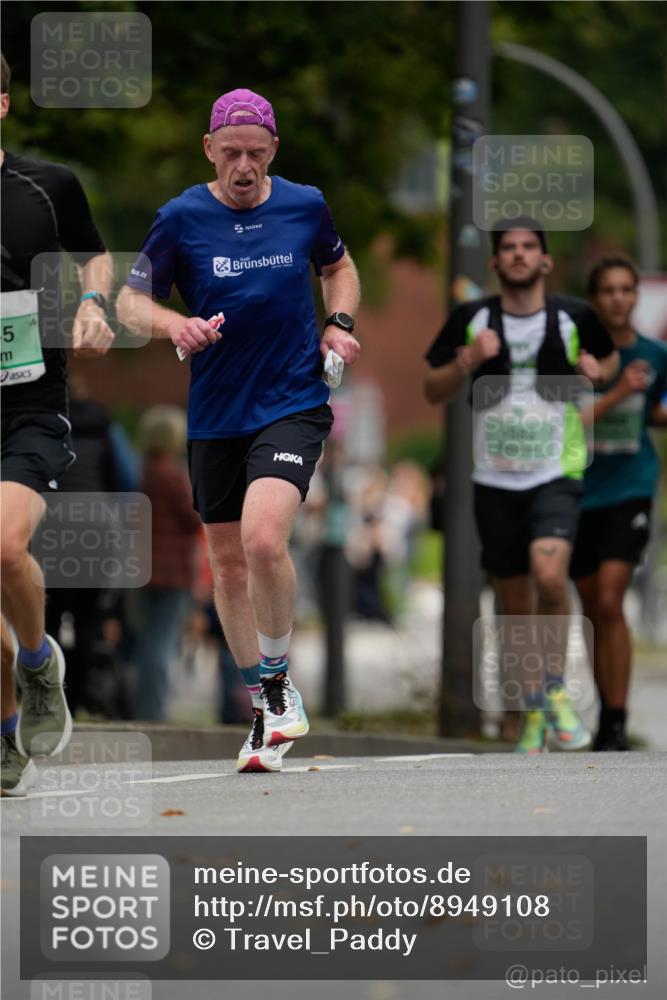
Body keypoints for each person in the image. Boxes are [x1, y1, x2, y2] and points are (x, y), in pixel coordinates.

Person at [117, 88, 360, 772]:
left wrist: (338, 324)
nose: (244, 166)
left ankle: (278, 686)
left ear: (273, 151)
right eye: (231, 153)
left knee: (260, 539)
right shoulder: (181, 218)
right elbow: (132, 302)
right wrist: (175, 325)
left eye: (256, 153)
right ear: (209, 150)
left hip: (290, 400)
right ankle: (264, 706)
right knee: (223, 563)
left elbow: (337, 266)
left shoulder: (304, 206)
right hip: (215, 413)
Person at [423, 216, 618, 753]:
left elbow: (607, 360)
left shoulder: (575, 316)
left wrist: (595, 371)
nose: (518, 255)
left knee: (549, 576)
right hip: (494, 478)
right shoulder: (472, 318)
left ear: (545, 260)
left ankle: (553, 691)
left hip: (557, 469)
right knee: (512, 601)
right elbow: (431, 388)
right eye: (508, 248)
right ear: (494, 262)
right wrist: (468, 359)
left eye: (529, 247)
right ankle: (530, 705)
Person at [1, 54, 114, 795]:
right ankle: (8, 730)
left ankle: (39, 662)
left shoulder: (48, 185)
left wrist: (93, 304)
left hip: (29, 406)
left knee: (3, 546)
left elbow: (98, 259)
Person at [571, 255, 667, 751]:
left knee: (610, 597)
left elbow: (656, 410)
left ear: (636, 297)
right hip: (579, 489)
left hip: (632, 485)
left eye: (627, 290)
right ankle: (604, 708)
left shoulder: (655, 353)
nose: (618, 299)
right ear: (595, 299)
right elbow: (569, 421)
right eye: (607, 290)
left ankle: (616, 718)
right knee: (591, 604)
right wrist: (618, 392)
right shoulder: (579, 355)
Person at [132, 406, 202, 721]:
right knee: (161, 644)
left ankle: (141, 705)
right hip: (172, 573)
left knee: (146, 640)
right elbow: (194, 519)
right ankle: (153, 712)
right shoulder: (174, 477)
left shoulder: (137, 472)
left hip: (138, 570)